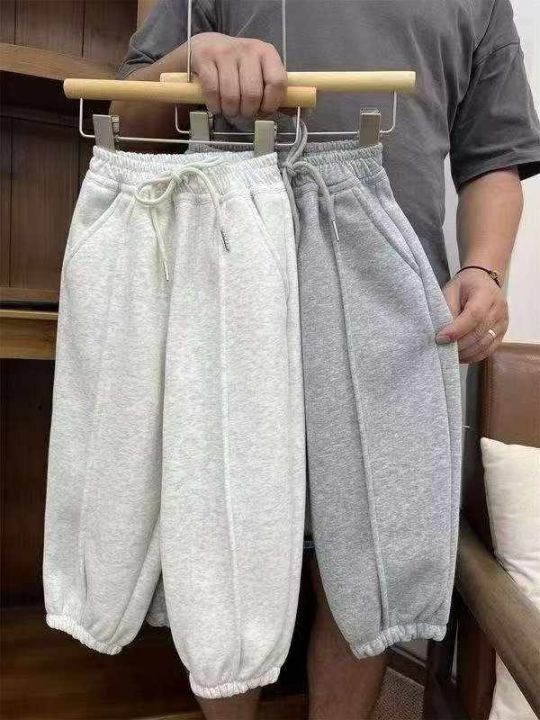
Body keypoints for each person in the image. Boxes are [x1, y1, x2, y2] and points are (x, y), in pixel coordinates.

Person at [112, 2, 540, 718]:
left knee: (367, 559)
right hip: (230, 289)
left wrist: (486, 268)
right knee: (226, 546)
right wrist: (192, 57)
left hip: (393, 306)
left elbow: (494, 154)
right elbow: (126, 116)